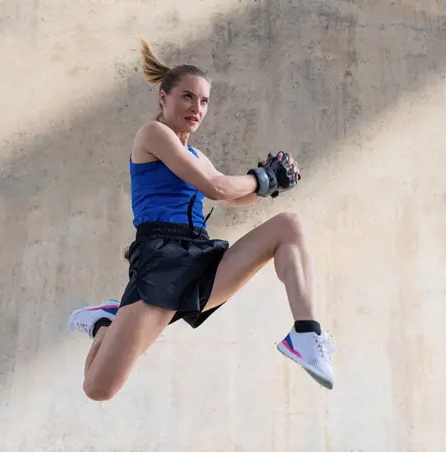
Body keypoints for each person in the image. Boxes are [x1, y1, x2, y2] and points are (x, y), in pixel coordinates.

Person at [67, 39, 337, 401]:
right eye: (187, 97)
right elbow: (216, 187)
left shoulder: (195, 153)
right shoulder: (154, 135)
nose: (197, 107)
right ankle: (104, 322)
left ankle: (306, 333)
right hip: (161, 261)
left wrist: (272, 183)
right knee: (98, 388)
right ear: (164, 98)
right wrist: (263, 176)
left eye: (204, 100)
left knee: (290, 224)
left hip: (199, 258)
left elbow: (236, 195)